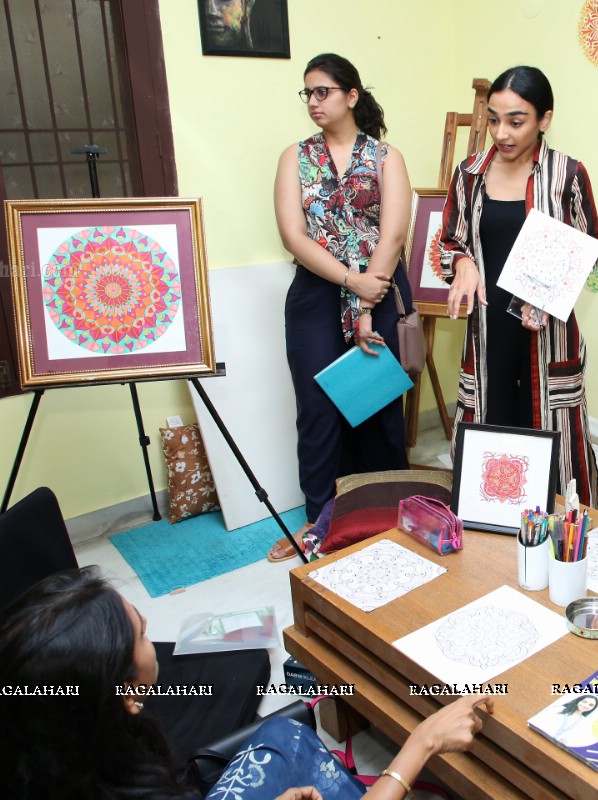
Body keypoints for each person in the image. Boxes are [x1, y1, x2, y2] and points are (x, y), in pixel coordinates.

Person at [0, 567, 494, 799]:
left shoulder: (5, 760)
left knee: (282, 737)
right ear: (123, 695)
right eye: (145, 635)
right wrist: (421, 742)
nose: (155, 643)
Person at [269, 53, 414, 561]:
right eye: (307, 93)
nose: (313, 102)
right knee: (317, 409)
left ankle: (380, 513)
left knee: (374, 404)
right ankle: (318, 522)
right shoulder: (295, 156)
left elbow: (393, 232)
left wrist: (366, 300)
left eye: (323, 91)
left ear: (351, 96)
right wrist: (351, 282)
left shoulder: (386, 157)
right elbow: (293, 233)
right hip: (315, 293)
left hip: (378, 287)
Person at [439, 65, 598, 506]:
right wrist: (463, 263)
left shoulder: (567, 174)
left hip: (545, 333)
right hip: (488, 332)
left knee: (555, 436)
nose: (501, 133)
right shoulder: (469, 173)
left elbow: (591, 245)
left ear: (544, 119)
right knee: (488, 427)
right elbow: (448, 240)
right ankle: (487, 528)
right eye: (493, 119)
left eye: (516, 121)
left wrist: (549, 293)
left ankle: (565, 535)